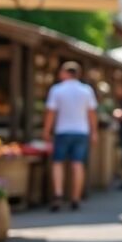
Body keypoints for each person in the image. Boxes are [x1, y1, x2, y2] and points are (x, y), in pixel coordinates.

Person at [43, 61, 98, 212]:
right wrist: (94, 132)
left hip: (62, 131)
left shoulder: (57, 90)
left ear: (65, 72)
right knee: (77, 164)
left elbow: (51, 112)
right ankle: (75, 197)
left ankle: (58, 195)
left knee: (58, 163)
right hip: (81, 131)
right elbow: (92, 113)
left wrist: (46, 131)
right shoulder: (86, 90)